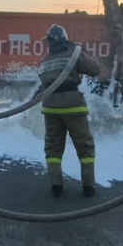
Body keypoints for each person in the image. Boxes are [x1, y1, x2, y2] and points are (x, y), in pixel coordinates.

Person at [37, 24, 101, 197]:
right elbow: (95, 70)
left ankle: (56, 186)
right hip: (73, 106)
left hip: (50, 107)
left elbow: (44, 81)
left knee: (53, 148)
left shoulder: (44, 60)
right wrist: (84, 54)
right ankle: (88, 187)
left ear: (50, 42)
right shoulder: (74, 53)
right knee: (84, 145)